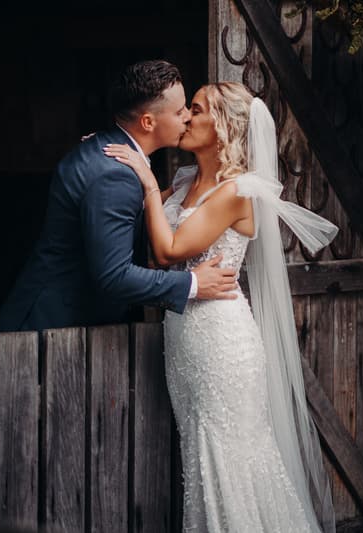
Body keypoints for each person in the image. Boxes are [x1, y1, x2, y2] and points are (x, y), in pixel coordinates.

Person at [104, 82, 338, 532]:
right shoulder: (188, 181)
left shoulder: (236, 191)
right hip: (184, 340)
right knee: (201, 455)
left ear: (224, 126)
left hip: (221, 343)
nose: (185, 118)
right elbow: (155, 254)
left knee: (227, 458)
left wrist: (148, 183)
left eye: (195, 109)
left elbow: (170, 252)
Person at [0, 60, 238, 332]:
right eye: (180, 110)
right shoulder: (114, 174)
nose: (186, 117)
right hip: (50, 328)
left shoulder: (110, 153)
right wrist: (193, 283)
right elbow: (114, 276)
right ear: (148, 122)